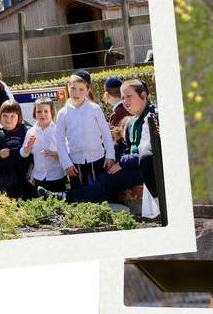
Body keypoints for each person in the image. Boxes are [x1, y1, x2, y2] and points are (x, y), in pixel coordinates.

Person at [86, 78, 160, 217]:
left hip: (144, 169)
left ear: (143, 96)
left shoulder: (151, 117)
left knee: (107, 181)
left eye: (129, 97)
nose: (125, 101)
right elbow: (128, 149)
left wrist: (123, 162)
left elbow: (148, 154)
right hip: (132, 166)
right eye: (123, 97)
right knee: (104, 173)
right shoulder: (132, 121)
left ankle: (65, 197)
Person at [56, 71, 111, 190]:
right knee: (79, 194)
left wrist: (110, 155)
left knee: (100, 192)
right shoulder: (62, 113)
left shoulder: (95, 109)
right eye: (73, 88)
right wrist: (66, 163)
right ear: (68, 88)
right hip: (75, 162)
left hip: (97, 159)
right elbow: (59, 141)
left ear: (88, 90)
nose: (76, 93)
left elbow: (106, 133)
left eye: (81, 89)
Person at [23, 95, 70, 197]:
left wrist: (55, 154)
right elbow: (24, 154)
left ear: (52, 112)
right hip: (38, 177)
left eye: (46, 111)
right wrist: (27, 146)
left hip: (56, 176)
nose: (42, 114)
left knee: (58, 205)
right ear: (34, 114)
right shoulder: (31, 132)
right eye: (39, 111)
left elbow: (67, 153)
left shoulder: (58, 131)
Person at [0, 97, 34, 199]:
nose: (8, 120)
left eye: (12, 116)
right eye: (5, 115)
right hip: (7, 181)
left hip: (26, 178)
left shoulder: (26, 131)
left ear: (19, 117)